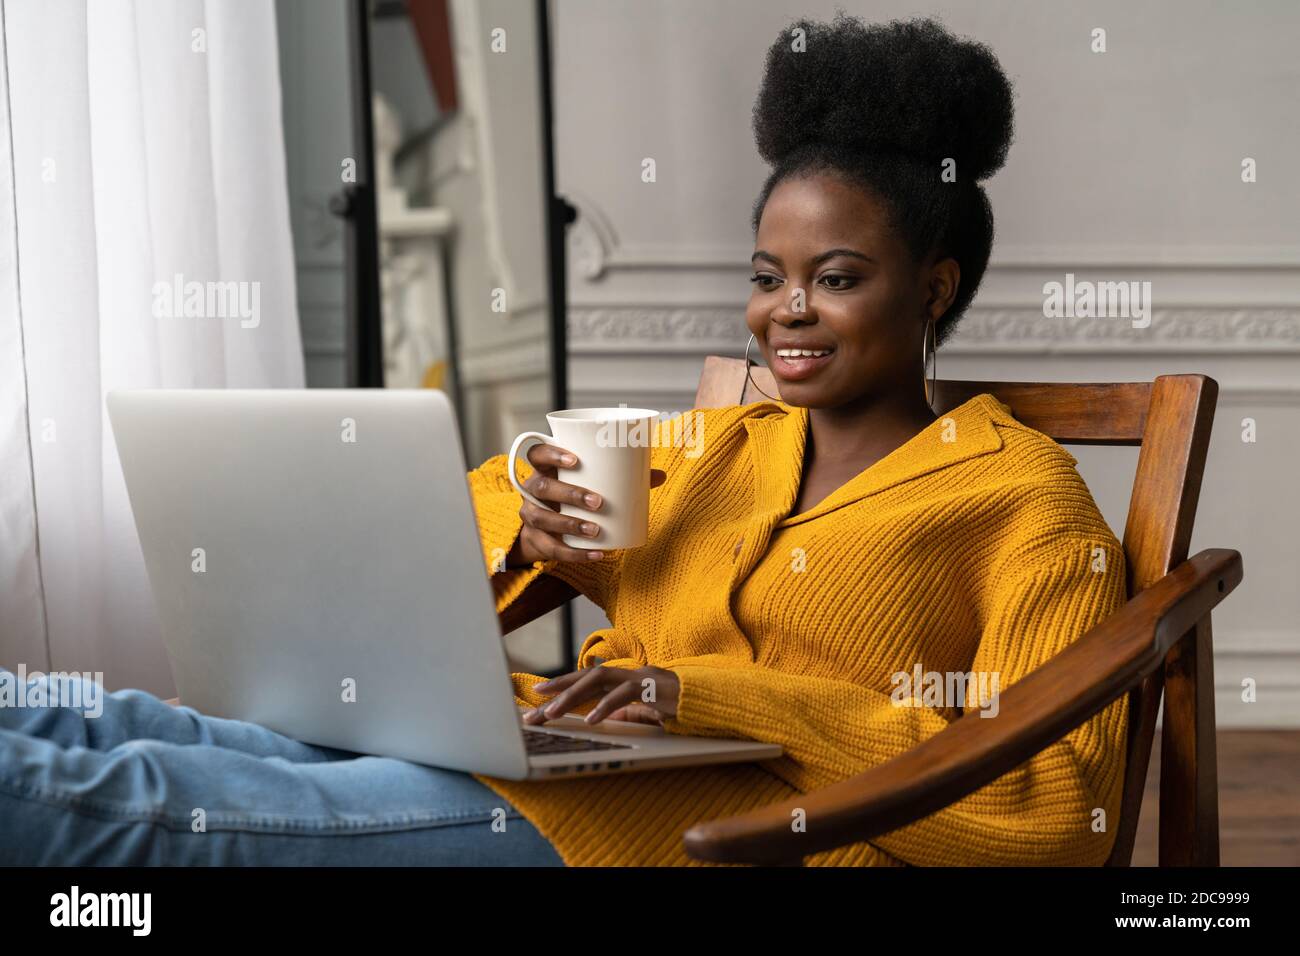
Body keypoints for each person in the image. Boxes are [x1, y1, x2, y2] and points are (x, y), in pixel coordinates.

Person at [0, 14, 1127, 867]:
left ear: (932, 287)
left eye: (834, 279)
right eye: (766, 276)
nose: (786, 310)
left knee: (133, 807)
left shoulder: (1024, 502)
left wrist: (708, 696)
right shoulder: (711, 444)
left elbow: (1050, 807)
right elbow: (458, 520)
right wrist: (534, 542)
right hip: (544, 751)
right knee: (96, 721)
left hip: (695, 835)